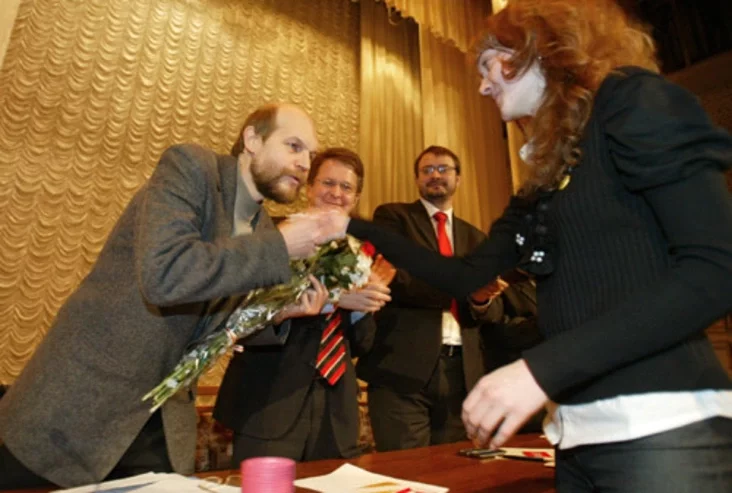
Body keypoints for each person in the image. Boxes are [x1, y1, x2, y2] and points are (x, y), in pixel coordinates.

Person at [333, 1, 732, 491]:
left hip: (662, 428)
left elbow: (715, 269)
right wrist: (354, 226)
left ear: (538, 47)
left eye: (487, 64)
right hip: (576, 435)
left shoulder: (634, 100)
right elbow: (463, 276)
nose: (481, 85)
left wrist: (540, 369)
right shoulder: (544, 178)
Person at [0, 103, 344, 489]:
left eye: (310, 154)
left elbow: (215, 326)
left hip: (161, 420)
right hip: (78, 408)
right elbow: (164, 275)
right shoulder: (191, 168)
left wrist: (277, 315)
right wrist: (280, 246)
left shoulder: (262, 226)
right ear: (252, 139)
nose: (304, 163)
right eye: (294, 146)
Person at [214, 147, 394, 463]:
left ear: (356, 198)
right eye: (328, 183)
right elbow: (239, 321)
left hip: (337, 410)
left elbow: (363, 344)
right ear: (309, 188)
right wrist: (333, 299)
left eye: (346, 187)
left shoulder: (361, 252)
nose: (336, 193)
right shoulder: (271, 237)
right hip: (269, 403)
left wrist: (361, 308)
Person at [356, 146, 487, 451]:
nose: (435, 175)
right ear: (417, 179)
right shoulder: (393, 217)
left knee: (451, 472)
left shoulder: (477, 238)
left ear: (459, 178)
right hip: (401, 368)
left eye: (443, 169)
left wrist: (480, 300)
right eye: (427, 170)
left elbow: (487, 308)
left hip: (461, 374)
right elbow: (397, 278)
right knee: (406, 473)